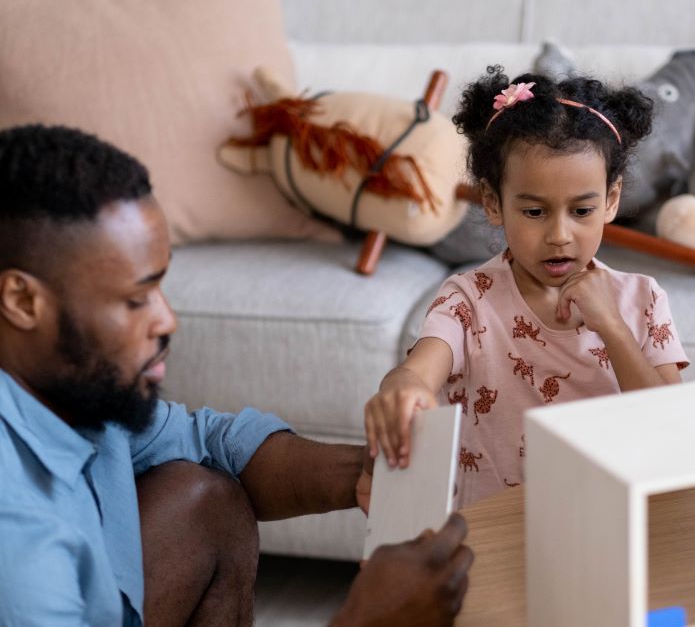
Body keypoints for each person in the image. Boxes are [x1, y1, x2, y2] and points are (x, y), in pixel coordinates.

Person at [0, 124, 473, 626]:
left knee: (207, 500)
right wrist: (370, 618)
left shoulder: (70, 388)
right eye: (136, 299)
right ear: (23, 302)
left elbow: (206, 442)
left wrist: (365, 471)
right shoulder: (18, 538)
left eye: (159, 288)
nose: (166, 320)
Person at [365, 67, 690, 509]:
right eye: (535, 212)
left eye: (582, 211)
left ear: (611, 200)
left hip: (611, 523)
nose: (559, 235)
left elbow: (671, 423)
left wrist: (612, 326)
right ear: (493, 202)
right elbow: (419, 372)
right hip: (492, 530)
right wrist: (402, 386)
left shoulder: (643, 299)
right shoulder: (467, 301)